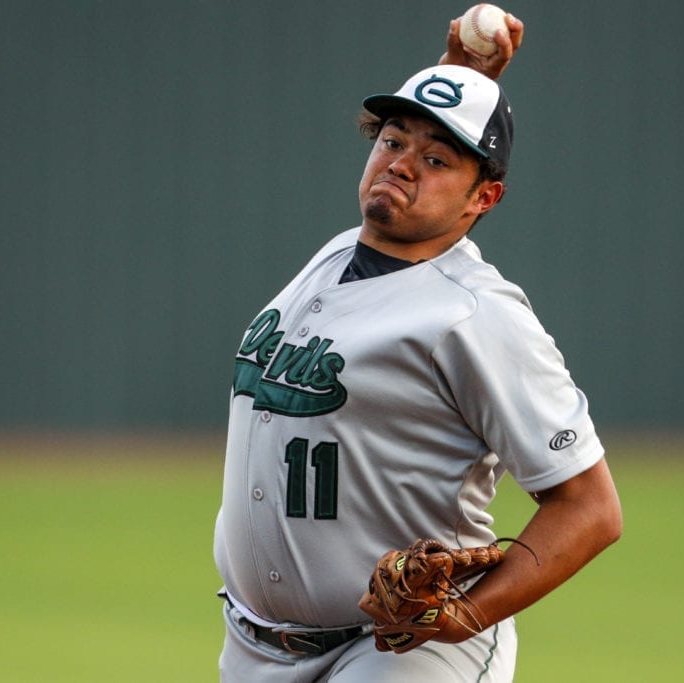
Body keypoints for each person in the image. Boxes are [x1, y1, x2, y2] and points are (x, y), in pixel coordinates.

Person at [213, 12, 622, 682]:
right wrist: (462, 79)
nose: (401, 164)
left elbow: (591, 508)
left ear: (482, 197)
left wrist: (460, 619)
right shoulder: (339, 255)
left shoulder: (475, 315)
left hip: (403, 653)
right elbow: (434, 132)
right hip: (255, 650)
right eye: (391, 141)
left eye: (435, 161)